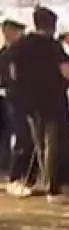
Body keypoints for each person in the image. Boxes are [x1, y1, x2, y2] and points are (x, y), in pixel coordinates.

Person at [7, 6, 69, 201]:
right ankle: (51, 187)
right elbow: (66, 73)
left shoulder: (19, 45)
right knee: (51, 143)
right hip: (53, 100)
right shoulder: (54, 46)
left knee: (37, 141)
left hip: (29, 101)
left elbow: (13, 74)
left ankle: (39, 180)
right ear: (52, 25)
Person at [0, 16, 25, 182]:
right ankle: (9, 168)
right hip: (10, 97)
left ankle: (6, 166)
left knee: (7, 133)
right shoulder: (10, 54)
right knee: (13, 132)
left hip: (7, 95)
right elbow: (13, 78)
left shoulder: (7, 52)